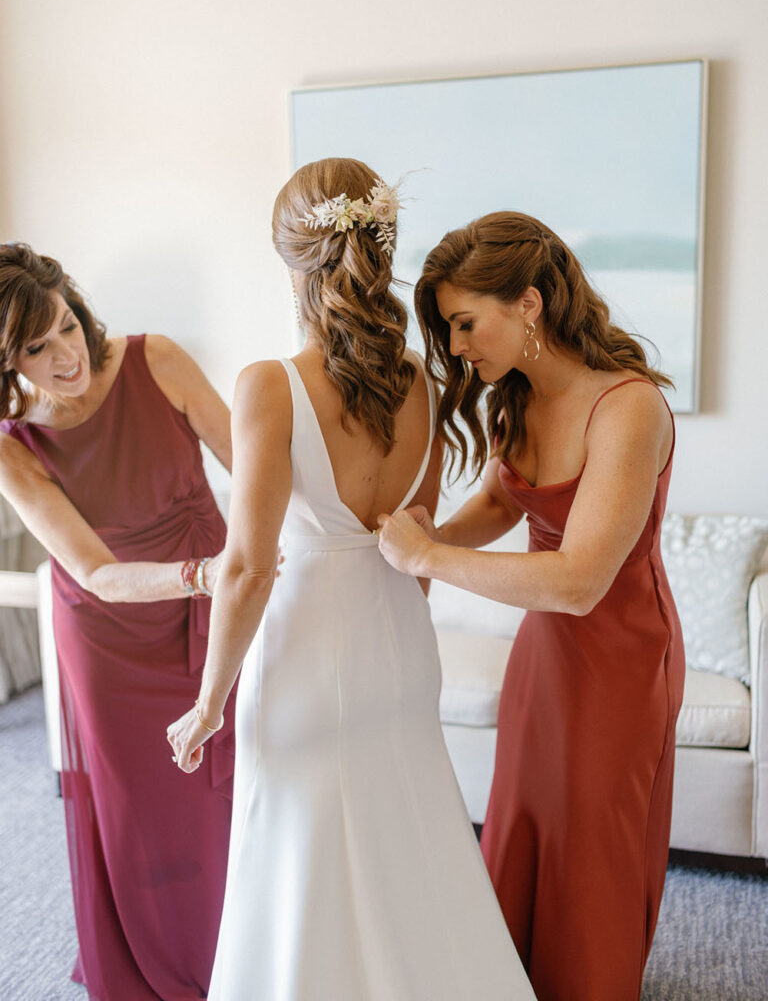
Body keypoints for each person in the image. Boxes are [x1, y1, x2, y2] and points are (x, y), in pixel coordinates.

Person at [167, 159, 535, 1001]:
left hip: (304, 655)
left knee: (297, 870)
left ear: (291, 259)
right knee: (414, 853)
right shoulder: (426, 379)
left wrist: (209, 702)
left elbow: (250, 567)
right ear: (383, 242)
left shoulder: (270, 385)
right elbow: (420, 543)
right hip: (399, 644)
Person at [375, 211, 685, 1001]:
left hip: (618, 653)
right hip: (544, 653)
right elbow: (500, 500)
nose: (456, 347)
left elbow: (580, 580)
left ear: (530, 305)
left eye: (465, 322)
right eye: (447, 329)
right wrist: (429, 534)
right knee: (524, 821)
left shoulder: (628, 407)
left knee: (592, 847)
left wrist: (430, 559)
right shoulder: (514, 396)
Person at [0, 243, 236, 1000]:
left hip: (210, 617)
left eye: (66, 325)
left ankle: (243, 950)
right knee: (142, 811)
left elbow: (256, 465)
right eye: (36, 348)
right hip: (108, 634)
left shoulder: (154, 360)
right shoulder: (16, 448)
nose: (65, 354)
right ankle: (160, 959)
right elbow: (96, 571)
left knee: (224, 794)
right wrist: (205, 577)